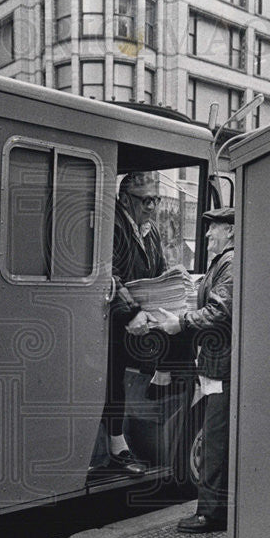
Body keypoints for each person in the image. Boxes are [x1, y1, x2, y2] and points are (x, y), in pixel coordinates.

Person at [153, 206, 235, 533]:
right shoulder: (223, 264)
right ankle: (213, 508)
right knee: (215, 436)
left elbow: (218, 312)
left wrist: (181, 323)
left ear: (230, 230)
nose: (207, 235)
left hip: (221, 365)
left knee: (215, 438)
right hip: (215, 363)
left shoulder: (230, 263)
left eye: (213, 228)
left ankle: (211, 514)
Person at [96, 171, 167, 474]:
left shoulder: (150, 230)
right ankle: (115, 445)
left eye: (156, 200)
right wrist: (131, 312)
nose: (152, 207)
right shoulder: (112, 223)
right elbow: (108, 274)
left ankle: (127, 439)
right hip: (110, 318)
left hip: (139, 315)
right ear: (125, 200)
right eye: (146, 201)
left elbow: (160, 271)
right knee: (111, 378)